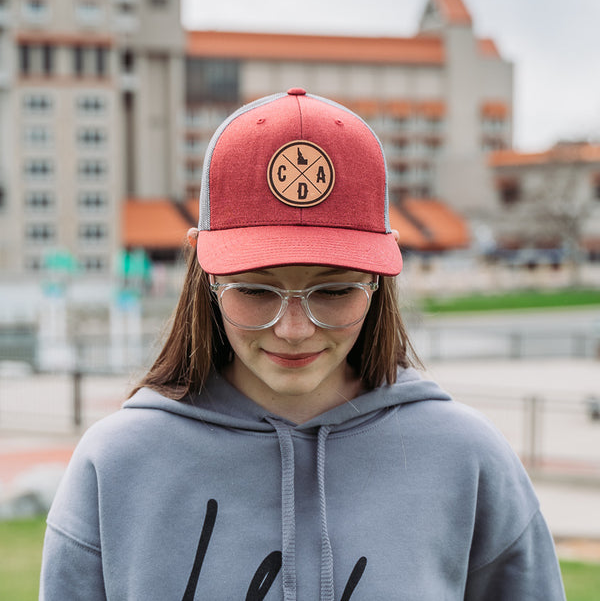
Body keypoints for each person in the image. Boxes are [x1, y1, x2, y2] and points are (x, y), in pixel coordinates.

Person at [40, 88, 566, 600]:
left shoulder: (468, 459)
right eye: (254, 290)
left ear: (381, 280)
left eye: (335, 290)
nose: (294, 329)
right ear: (204, 272)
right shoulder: (115, 466)